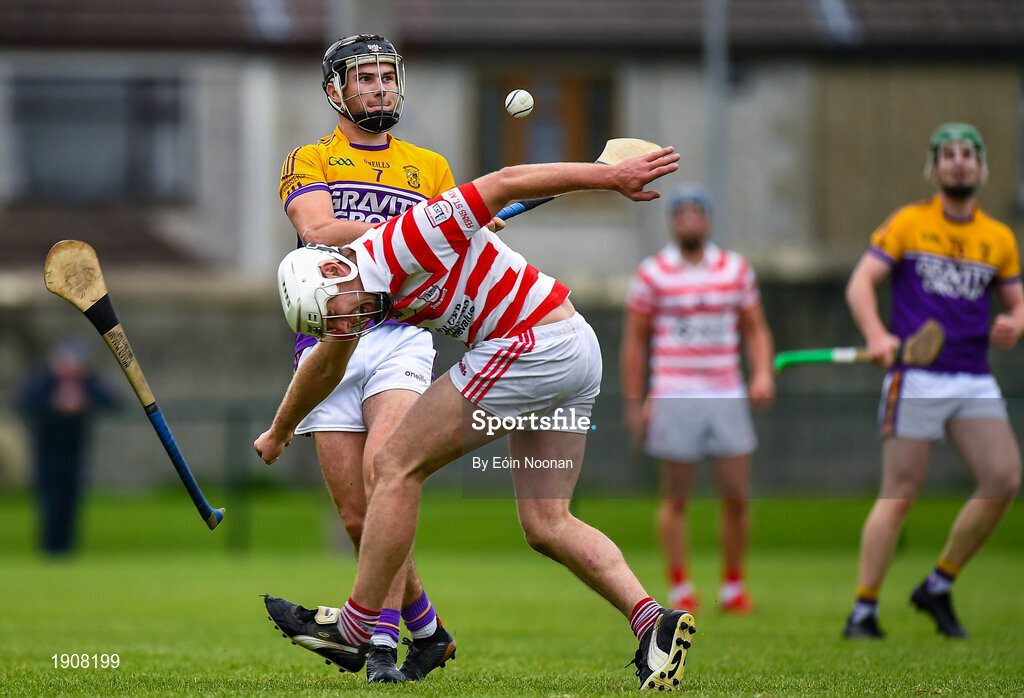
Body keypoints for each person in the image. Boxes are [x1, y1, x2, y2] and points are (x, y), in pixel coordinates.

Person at [255, 147, 701, 691]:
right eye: (333, 320)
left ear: (333, 264)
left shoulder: (402, 240)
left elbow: (508, 180)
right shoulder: (359, 293)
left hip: (536, 344)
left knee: (395, 466)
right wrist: (280, 431)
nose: (347, 322)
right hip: (571, 351)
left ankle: (358, 622)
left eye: (339, 310)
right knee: (547, 524)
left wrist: (610, 178)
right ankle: (653, 621)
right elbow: (326, 365)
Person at [264, 33, 479, 683]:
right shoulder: (310, 159)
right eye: (366, 78)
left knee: (390, 476)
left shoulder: (431, 168)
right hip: (328, 344)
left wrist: (465, 231)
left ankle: (380, 646)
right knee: (361, 515)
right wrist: (416, 229)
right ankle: (428, 631)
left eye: (388, 76)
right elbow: (320, 230)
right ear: (336, 90)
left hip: (400, 337)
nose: (381, 87)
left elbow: (452, 256)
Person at [842, 123, 1023, 639]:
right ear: (934, 167)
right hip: (916, 378)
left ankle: (939, 584)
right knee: (899, 492)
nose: (959, 162)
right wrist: (877, 334)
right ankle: (863, 609)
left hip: (973, 378)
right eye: (948, 154)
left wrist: (1016, 320)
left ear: (982, 167)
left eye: (968, 154)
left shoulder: (999, 238)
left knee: (1004, 479)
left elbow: (1016, 299)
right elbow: (861, 284)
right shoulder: (909, 223)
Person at [621, 183, 774, 615]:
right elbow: (634, 342)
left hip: (725, 390)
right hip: (673, 390)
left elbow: (755, 328)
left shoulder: (735, 269)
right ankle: (681, 587)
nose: (690, 219)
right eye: (682, 213)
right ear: (673, 221)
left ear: (708, 220)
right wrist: (636, 403)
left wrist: (761, 374)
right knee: (675, 497)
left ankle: (732, 587)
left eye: (697, 212)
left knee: (737, 496)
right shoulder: (653, 273)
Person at [14, 336, 120, 555]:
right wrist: (54, 404)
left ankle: (67, 550)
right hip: (47, 450)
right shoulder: (44, 381)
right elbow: (24, 401)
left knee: (70, 502)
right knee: (50, 501)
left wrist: (84, 400)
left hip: (75, 451)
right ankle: (50, 549)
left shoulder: (87, 383)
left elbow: (114, 401)